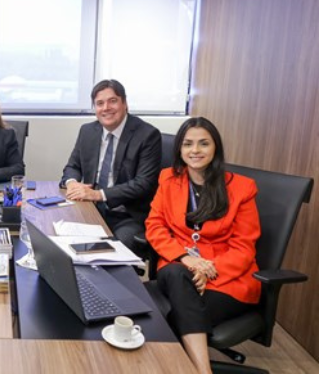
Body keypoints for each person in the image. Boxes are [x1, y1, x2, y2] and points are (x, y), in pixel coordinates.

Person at [145, 117, 260, 374]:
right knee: (175, 274)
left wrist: (208, 270)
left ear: (215, 147)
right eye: (188, 144)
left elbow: (244, 247)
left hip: (226, 280)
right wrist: (186, 258)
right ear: (179, 149)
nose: (195, 150)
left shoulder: (242, 188)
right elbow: (154, 226)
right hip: (179, 266)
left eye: (203, 143)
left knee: (162, 317)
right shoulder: (168, 179)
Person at [60, 79, 161, 254]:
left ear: (125, 103)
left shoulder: (147, 135)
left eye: (112, 101)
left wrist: (98, 194)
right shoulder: (87, 131)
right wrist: (72, 183)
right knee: (61, 240)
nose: (106, 108)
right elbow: (72, 166)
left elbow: (143, 183)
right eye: (100, 103)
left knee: (112, 253)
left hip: (127, 215)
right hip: (90, 208)